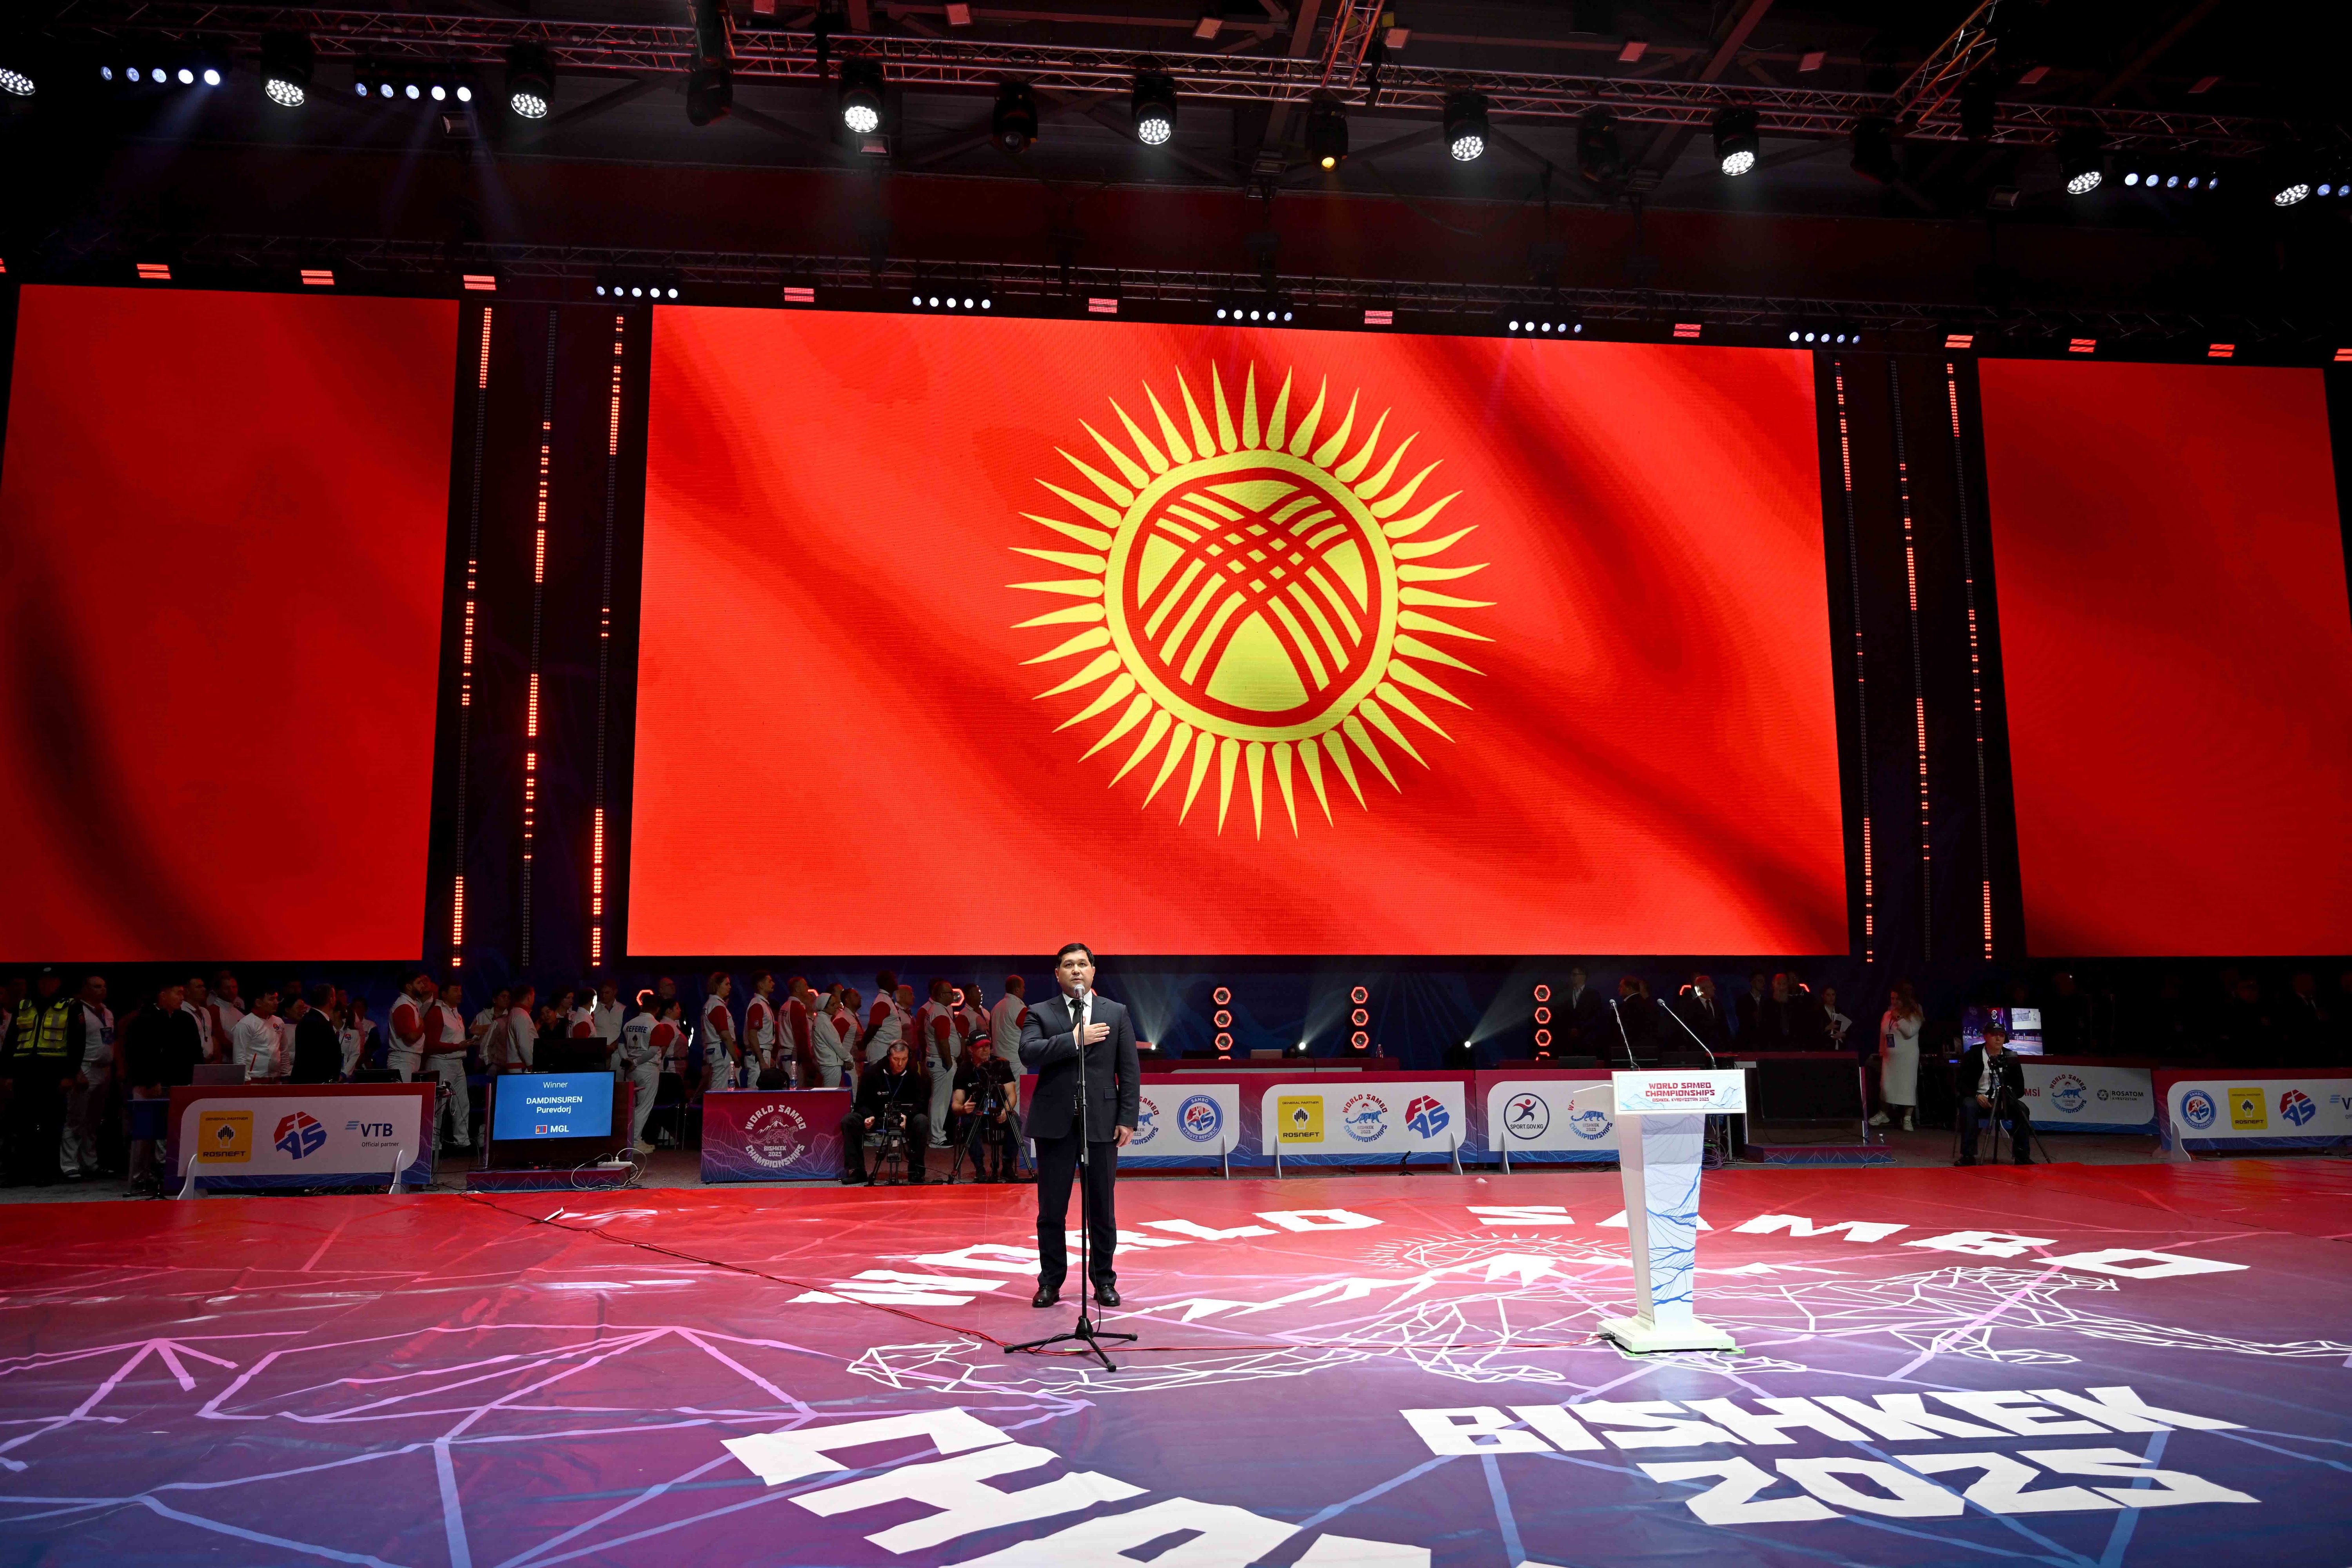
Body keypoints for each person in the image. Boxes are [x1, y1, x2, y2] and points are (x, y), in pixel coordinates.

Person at [1019, 944, 1139, 1309]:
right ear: (1057, 974)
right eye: (1068, 965)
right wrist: (1074, 1039)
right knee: (1051, 1211)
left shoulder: (1115, 1012)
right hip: (1054, 1124)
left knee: (1102, 1209)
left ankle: (1104, 1281)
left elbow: (1129, 1069)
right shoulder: (1039, 1012)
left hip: (1101, 1123)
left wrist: (1127, 1118)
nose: (1076, 970)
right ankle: (1050, 1282)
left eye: (1082, 964)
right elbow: (1028, 1052)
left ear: (1093, 971)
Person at [122, 978, 202, 1193]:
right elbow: (137, 1055)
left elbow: (195, 1052)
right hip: (149, 1085)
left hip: (180, 1084)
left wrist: (196, 1079)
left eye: (183, 993)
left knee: (173, 1133)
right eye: (178, 993)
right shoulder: (143, 1019)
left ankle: (169, 1176)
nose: (182, 998)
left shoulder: (185, 1019)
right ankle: (139, 1178)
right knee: (145, 1134)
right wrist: (150, 1081)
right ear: (163, 995)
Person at [3, 969, 73, 1185]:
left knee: (51, 1125)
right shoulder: (24, 1006)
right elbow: (11, 1040)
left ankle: (47, 1172)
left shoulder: (70, 1006)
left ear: (58, 982)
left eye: (51, 980)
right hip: (25, 1072)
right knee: (22, 1124)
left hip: (53, 1073)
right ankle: (21, 1172)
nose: (46, 984)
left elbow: (77, 1042)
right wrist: (7, 1074)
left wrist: (70, 1075)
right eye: (43, 980)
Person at [840, 1038, 928, 1185]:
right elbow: (861, 1103)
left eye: (904, 1059)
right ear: (889, 1056)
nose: (900, 1064)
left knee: (922, 1121)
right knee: (849, 1120)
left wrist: (907, 1115)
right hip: (878, 1117)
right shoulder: (872, 1073)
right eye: (896, 1059)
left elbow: (921, 1103)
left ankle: (916, 1172)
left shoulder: (914, 1076)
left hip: (904, 1118)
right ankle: (858, 1171)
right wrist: (869, 1116)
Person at [60, 974, 116, 1180]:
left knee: (94, 1119)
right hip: (86, 1067)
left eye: (104, 986)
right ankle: (69, 1164)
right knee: (76, 1117)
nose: (102, 990)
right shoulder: (77, 1010)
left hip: (104, 1069)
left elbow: (109, 1041)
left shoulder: (107, 1012)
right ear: (85, 989)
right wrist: (77, 1071)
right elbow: (70, 1043)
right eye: (97, 987)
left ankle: (90, 1163)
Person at [1956, 1023, 2031, 1165]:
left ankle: (2022, 1157)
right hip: (1979, 1099)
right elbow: (1961, 1084)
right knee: (1968, 1106)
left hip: (2003, 1102)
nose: (1998, 1039)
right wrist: (1976, 1096)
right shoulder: (1972, 1055)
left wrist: (2005, 1099)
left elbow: (2020, 1089)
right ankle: (1968, 1156)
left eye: (2001, 1036)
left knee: (2023, 1109)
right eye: (1994, 1035)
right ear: (1985, 1037)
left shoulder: (2011, 1056)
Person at [951, 1034, 1020, 1182]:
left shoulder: (1001, 1065)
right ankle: (980, 1168)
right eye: (980, 1047)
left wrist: (1006, 1111)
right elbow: (956, 1105)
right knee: (969, 1121)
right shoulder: (964, 1070)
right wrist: (963, 1108)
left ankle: (1007, 1166)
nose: (985, 1050)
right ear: (971, 1049)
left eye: (987, 1046)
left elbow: (1012, 1094)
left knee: (1015, 1121)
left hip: (999, 1111)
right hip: (976, 1112)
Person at [618, 996, 673, 1153]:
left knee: (632, 1106)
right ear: (658, 1009)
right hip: (647, 1068)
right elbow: (653, 1050)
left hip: (630, 1069)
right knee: (644, 1106)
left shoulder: (629, 1024)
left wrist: (628, 1060)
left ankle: (634, 1139)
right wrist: (635, 1062)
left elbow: (621, 1046)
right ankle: (634, 1142)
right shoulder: (656, 1026)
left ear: (642, 1007)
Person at [425, 982, 472, 1150]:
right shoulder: (437, 1012)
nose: (460, 993)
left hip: (457, 1063)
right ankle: (433, 1146)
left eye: (460, 990)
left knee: (461, 1103)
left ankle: (463, 1142)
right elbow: (431, 1045)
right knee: (439, 1106)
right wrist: (458, 1046)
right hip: (441, 1062)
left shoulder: (456, 1013)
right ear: (444, 994)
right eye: (455, 990)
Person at [1873, 982, 1923, 1131]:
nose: (1894, 1002)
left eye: (1897, 999)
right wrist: (1882, 1052)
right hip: (1890, 1058)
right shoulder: (1887, 1015)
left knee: (1907, 1087)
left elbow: (1910, 1032)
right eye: (1892, 998)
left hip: (1907, 1058)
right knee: (1886, 1086)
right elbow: (1883, 1035)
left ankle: (1907, 1119)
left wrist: (1900, 1018)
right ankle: (1884, 1114)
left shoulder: (1915, 1013)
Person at [918, 978, 961, 1148]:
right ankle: (937, 1138)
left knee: (937, 1100)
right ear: (942, 995)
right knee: (940, 1102)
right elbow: (943, 1041)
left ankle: (934, 1136)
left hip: (938, 1061)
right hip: (942, 1062)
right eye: (951, 993)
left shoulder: (938, 1010)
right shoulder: (940, 1012)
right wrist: (949, 1063)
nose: (953, 995)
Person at [231, 989, 287, 1082]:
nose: (276, 1002)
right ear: (258, 1003)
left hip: (276, 1080)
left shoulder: (279, 1022)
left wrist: (286, 1075)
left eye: (277, 999)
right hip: (254, 1080)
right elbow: (239, 1056)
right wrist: (245, 1080)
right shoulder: (245, 1024)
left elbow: (284, 1052)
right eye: (272, 999)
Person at [386, 972, 432, 1082]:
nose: (423, 986)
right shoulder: (404, 1006)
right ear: (409, 987)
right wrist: (422, 1026)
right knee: (403, 1093)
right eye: (419, 983)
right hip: (403, 1061)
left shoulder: (410, 1004)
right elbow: (411, 1037)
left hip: (409, 1059)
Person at [1671, 973, 1731, 1057]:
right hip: (1700, 1051)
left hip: (1720, 1050)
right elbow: (1690, 1030)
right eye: (1711, 987)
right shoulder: (1691, 1007)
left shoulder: (1718, 1004)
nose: (1714, 988)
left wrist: (1728, 1046)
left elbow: (1724, 1027)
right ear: (1702, 990)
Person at [291, 984, 341, 1083]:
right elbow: (318, 1057)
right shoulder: (314, 1022)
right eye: (335, 996)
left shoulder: (315, 1020)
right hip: (314, 1083)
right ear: (331, 1000)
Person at [811, 984, 858, 1088]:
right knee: (830, 1095)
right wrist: (849, 1059)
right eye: (833, 1005)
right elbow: (836, 1045)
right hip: (831, 1066)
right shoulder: (824, 1022)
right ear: (824, 1007)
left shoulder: (821, 1020)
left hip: (829, 1065)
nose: (837, 1006)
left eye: (836, 1003)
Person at [743, 972, 782, 1088]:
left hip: (763, 1053)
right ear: (761, 985)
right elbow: (752, 1035)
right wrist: (761, 1060)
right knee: (755, 1090)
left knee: (762, 1091)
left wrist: (767, 1057)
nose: (773, 984)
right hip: (758, 1055)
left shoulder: (763, 1004)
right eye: (770, 981)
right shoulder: (757, 1005)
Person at [1609, 975, 1658, 1068]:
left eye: (1621, 986)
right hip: (1649, 1053)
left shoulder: (1621, 1009)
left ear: (1629, 988)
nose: (1619, 989)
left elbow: (1616, 1033)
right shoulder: (1650, 1006)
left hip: (1626, 1055)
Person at [862, 971, 907, 1064]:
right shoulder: (882, 1002)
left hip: (885, 1050)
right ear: (887, 982)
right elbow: (873, 1027)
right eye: (894, 979)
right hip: (880, 1052)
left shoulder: (887, 1000)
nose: (896, 981)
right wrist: (863, 1045)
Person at [1560, 966, 1606, 1057]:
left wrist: (1581, 1030)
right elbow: (1561, 1015)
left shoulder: (1593, 994)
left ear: (1583, 976)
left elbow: (1597, 1016)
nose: (1572, 977)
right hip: (1568, 1040)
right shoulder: (1565, 994)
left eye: (1575, 975)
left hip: (1587, 1040)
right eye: (1572, 975)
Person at [491, 985, 537, 1073]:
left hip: (521, 1066)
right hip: (522, 1067)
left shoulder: (516, 1013)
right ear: (529, 997)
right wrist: (532, 1066)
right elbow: (523, 1044)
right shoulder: (521, 1015)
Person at [181, 975, 219, 1063]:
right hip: (192, 1062)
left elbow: (211, 1036)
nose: (204, 989)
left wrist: (218, 1059)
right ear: (187, 991)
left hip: (209, 1062)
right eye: (199, 987)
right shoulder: (181, 1011)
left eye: (203, 986)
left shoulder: (205, 1011)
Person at [991, 974, 1028, 1059]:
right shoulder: (1020, 1009)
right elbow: (1031, 1032)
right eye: (1023, 987)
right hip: (1016, 1060)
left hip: (998, 1060)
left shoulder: (995, 1008)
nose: (1024, 990)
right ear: (1017, 990)